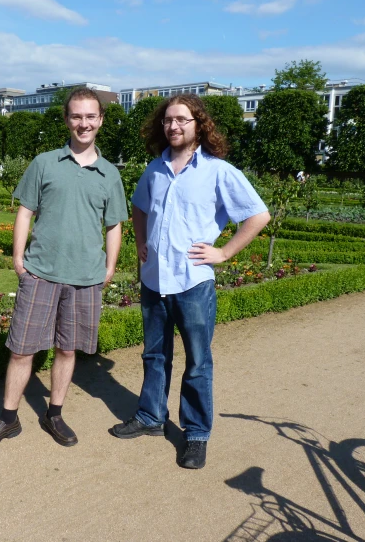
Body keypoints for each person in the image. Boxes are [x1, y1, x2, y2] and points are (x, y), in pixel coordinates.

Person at [111, 94, 271, 469]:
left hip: (193, 283)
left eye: (182, 120)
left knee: (198, 362)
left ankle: (196, 434)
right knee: (154, 354)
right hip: (155, 281)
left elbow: (257, 215)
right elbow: (139, 206)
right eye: (168, 120)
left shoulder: (218, 171)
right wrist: (141, 244)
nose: (173, 126)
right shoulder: (155, 168)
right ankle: (151, 417)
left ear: (199, 124)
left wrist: (224, 253)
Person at [0, 88, 128, 449]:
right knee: (22, 349)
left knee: (68, 350)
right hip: (40, 272)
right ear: (66, 120)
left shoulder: (110, 175)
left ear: (100, 120)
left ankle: (54, 413)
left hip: (85, 277)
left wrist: (109, 267)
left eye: (90, 116)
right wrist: (18, 260)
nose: (83, 123)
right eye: (76, 116)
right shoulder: (44, 163)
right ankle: (7, 419)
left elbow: (114, 225)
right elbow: (25, 211)